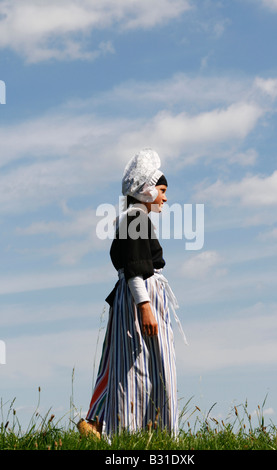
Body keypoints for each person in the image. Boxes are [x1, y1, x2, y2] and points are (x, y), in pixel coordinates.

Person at [77, 148, 186, 439]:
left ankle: (112, 424)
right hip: (142, 296)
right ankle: (130, 429)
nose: (164, 197)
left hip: (140, 297)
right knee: (142, 364)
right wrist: (145, 305)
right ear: (146, 190)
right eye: (161, 190)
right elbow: (135, 270)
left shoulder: (134, 218)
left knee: (138, 362)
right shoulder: (136, 217)